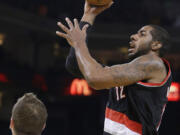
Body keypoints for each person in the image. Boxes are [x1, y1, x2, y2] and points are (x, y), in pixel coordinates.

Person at [56, 1, 172, 135]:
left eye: (142, 34)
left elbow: (95, 78)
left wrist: (79, 42)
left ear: (156, 45)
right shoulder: (128, 71)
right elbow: (74, 66)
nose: (133, 36)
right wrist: (88, 16)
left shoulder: (154, 64)